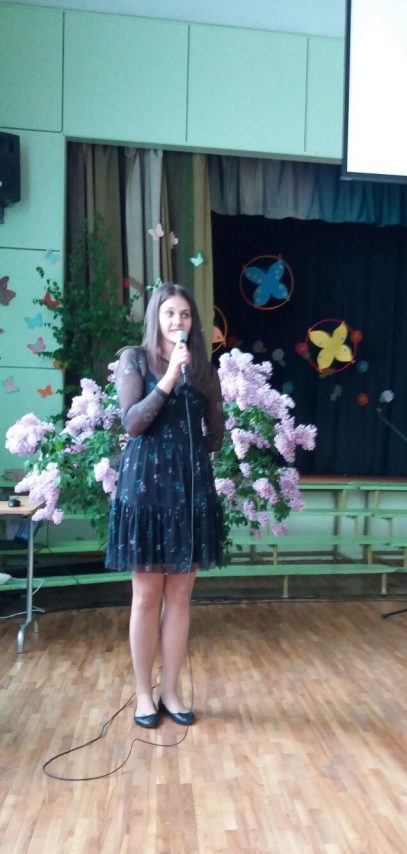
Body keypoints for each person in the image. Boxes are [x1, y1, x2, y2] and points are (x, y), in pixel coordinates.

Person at [106, 282, 224, 728]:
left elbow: (216, 435)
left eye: (186, 315)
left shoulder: (203, 368)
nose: (179, 321)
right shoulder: (134, 359)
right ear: (156, 317)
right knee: (145, 597)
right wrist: (171, 377)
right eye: (170, 313)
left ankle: (171, 692)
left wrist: (192, 444)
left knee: (179, 597)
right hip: (145, 490)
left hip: (189, 490)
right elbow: (132, 423)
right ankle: (143, 694)